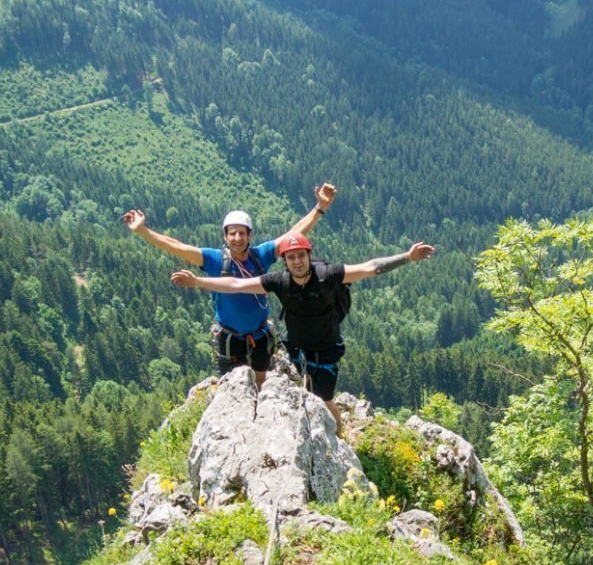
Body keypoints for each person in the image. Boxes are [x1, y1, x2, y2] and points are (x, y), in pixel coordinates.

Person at [170, 232, 435, 434]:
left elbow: (370, 267)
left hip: (327, 350)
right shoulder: (279, 282)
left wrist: (407, 257)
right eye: (291, 257)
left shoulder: (329, 275)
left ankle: (338, 436)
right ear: (285, 261)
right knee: (308, 393)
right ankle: (315, 430)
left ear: (309, 256)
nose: (297, 262)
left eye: (301, 256)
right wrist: (197, 282)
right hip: (298, 349)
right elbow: (236, 284)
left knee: (325, 399)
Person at [124, 184, 336, 388]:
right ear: (225, 236)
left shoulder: (260, 255)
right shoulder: (215, 260)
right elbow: (177, 247)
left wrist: (320, 208)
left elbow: (293, 235)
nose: (237, 238)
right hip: (230, 338)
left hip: (260, 335)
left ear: (249, 235)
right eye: (232, 233)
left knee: (261, 381)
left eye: (242, 233)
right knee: (235, 388)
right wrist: (143, 231)